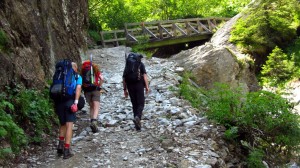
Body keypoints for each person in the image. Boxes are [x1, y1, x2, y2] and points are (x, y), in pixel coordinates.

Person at [54, 62, 82, 159]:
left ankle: (60, 145)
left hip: (58, 102)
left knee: (62, 124)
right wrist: (76, 102)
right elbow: (78, 88)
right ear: (75, 68)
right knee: (69, 125)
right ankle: (66, 150)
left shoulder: (59, 75)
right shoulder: (77, 76)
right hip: (70, 101)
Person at [123, 54, 150, 131]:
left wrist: (125, 89)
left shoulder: (127, 66)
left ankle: (136, 122)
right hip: (139, 84)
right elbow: (144, 76)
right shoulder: (140, 64)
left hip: (129, 85)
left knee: (134, 103)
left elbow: (124, 78)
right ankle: (138, 117)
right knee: (141, 103)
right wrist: (147, 87)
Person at [81, 60, 104, 133]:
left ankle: (91, 121)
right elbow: (102, 78)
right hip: (95, 89)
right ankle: (94, 121)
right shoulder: (95, 69)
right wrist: (99, 86)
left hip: (86, 90)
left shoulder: (83, 70)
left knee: (91, 106)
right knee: (96, 106)